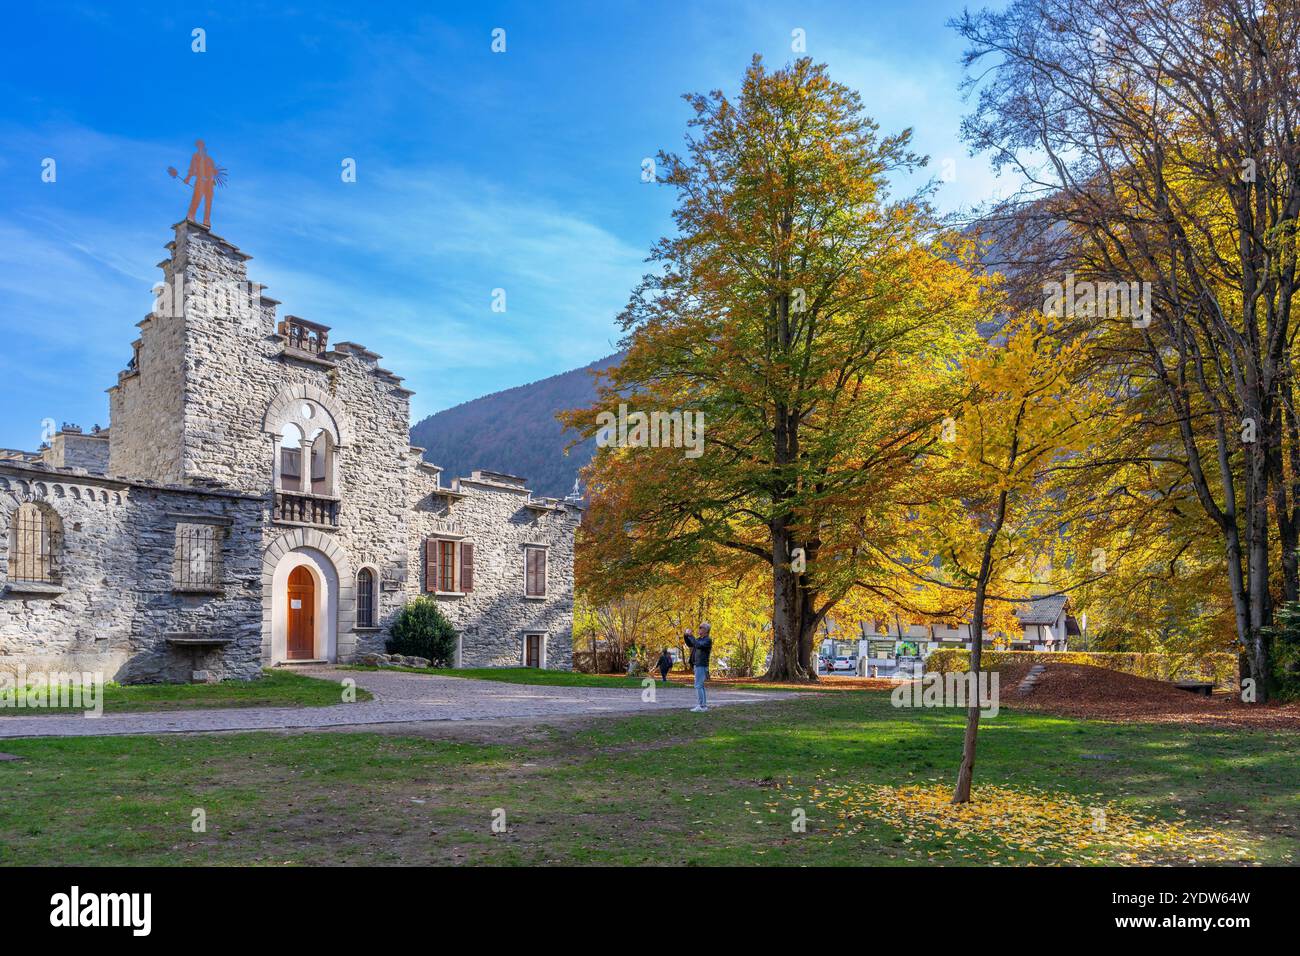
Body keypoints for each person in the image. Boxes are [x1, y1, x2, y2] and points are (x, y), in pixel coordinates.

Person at [184, 139, 217, 227]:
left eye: (201, 146)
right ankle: (191, 215)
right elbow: (192, 168)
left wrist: (213, 180)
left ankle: (207, 220)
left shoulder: (210, 160)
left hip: (209, 183)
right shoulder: (196, 156)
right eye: (199, 146)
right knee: (197, 198)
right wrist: (188, 177)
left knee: (208, 201)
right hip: (200, 181)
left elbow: (213, 171)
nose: (200, 147)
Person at [683, 622, 713, 712]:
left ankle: (701, 706)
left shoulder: (707, 640)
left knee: (698, 685)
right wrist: (686, 635)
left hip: (701, 664)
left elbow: (698, 645)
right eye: (699, 627)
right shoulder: (699, 639)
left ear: (706, 630)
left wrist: (691, 636)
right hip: (697, 664)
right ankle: (703, 706)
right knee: (700, 685)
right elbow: (690, 644)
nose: (699, 629)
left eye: (701, 627)